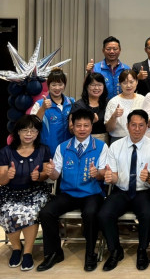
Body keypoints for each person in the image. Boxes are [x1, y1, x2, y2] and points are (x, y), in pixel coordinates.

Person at [37, 109, 108, 272]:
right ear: (72, 126)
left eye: (86, 125)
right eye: (78, 125)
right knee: (46, 213)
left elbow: (104, 174)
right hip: (68, 193)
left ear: (91, 126)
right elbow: (55, 175)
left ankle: (90, 254)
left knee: (90, 213)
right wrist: (50, 172)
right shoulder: (63, 147)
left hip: (92, 193)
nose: (82, 129)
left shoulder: (101, 146)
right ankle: (54, 253)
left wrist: (97, 173)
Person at [99, 110, 150, 271]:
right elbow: (114, 176)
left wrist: (149, 177)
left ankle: (142, 250)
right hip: (121, 190)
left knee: (148, 214)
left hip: (143, 191)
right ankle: (115, 251)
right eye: (133, 125)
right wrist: (110, 177)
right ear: (127, 126)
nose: (137, 129)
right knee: (104, 214)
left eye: (141, 125)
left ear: (147, 126)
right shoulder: (116, 146)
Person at [0, 115, 51, 271]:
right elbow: (2, 181)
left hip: (36, 191)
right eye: (25, 130)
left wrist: (39, 176)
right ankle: (17, 248)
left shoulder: (43, 149)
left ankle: (28, 252)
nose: (29, 134)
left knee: (30, 213)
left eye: (33, 130)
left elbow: (46, 174)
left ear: (38, 133)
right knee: (8, 213)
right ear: (18, 132)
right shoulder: (6, 151)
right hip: (10, 191)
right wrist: (7, 175)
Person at [30, 67, 74, 156]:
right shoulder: (39, 104)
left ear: (64, 85)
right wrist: (43, 109)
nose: (57, 88)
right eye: (53, 85)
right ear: (48, 85)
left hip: (68, 151)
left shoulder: (71, 102)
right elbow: (32, 124)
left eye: (60, 84)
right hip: (48, 152)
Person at [104, 69, 145, 143]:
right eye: (124, 83)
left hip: (140, 139)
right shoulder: (113, 102)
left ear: (137, 82)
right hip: (118, 140)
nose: (128, 86)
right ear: (120, 84)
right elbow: (108, 129)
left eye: (131, 82)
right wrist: (114, 116)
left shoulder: (143, 99)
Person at [70, 71, 109, 143]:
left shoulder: (108, 103)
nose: (96, 88)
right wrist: (91, 121)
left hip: (104, 141)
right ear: (87, 86)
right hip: (83, 140)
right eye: (93, 85)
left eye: (99, 85)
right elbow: (71, 129)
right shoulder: (78, 105)